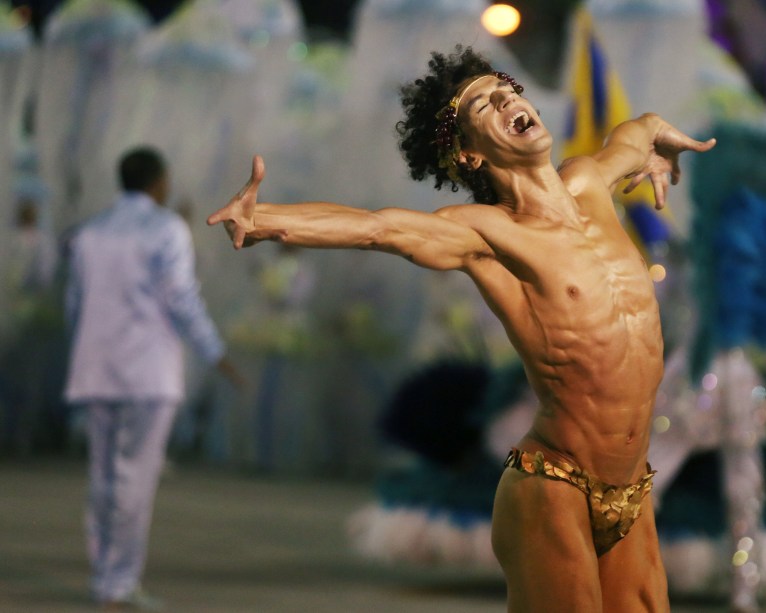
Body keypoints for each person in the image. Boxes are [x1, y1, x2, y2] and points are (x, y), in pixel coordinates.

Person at [209, 47, 715, 612]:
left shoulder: (591, 181)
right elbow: (380, 230)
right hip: (555, 486)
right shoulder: (488, 235)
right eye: (483, 104)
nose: (507, 100)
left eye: (507, 88)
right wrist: (267, 219)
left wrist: (658, 140)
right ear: (469, 154)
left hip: (632, 492)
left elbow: (635, 131)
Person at [64, 146, 242, 611]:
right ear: (157, 182)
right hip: (146, 371)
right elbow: (182, 299)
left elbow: (74, 307)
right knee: (135, 482)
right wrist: (215, 352)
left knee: (103, 478)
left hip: (96, 369)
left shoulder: (90, 232)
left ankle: (105, 576)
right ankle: (118, 584)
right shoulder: (166, 228)